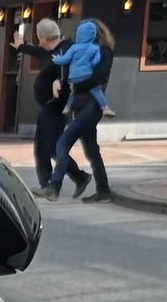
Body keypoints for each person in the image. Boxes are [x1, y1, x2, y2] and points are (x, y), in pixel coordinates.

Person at [41, 18, 113, 201]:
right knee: (91, 150)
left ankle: (53, 186)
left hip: (91, 103)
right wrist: (63, 80)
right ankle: (103, 191)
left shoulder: (103, 51)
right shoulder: (82, 50)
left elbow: (97, 78)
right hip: (80, 103)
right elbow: (69, 66)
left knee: (62, 143)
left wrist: (76, 81)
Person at [13, 19, 66, 188]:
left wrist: (60, 80)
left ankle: (77, 175)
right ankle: (46, 184)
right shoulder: (50, 51)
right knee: (41, 148)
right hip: (48, 106)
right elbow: (38, 52)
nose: (38, 42)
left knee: (50, 147)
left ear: (43, 38)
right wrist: (22, 47)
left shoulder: (63, 51)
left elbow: (70, 70)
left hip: (57, 107)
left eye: (39, 38)